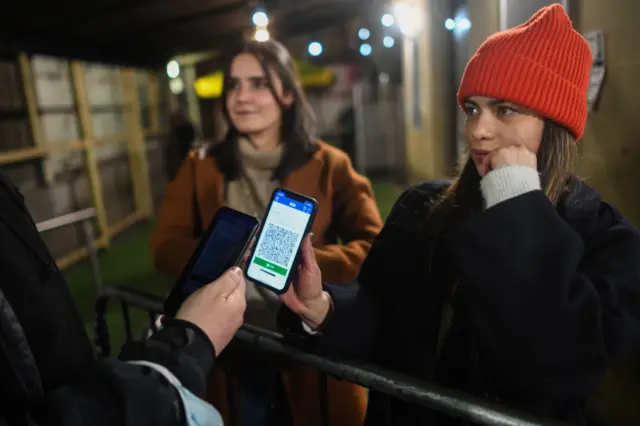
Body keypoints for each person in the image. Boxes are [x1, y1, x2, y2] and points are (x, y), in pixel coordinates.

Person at [279, 5, 640, 425]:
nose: (478, 130)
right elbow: (382, 318)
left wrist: (517, 205)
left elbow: (556, 367)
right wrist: (322, 307)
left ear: (554, 124)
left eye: (505, 110)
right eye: (472, 108)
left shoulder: (607, 237)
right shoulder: (422, 208)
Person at [150, 39, 382, 425]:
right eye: (234, 85)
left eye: (258, 83)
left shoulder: (329, 163)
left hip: (305, 343)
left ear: (288, 94)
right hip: (226, 346)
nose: (242, 97)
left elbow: (374, 245)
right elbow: (165, 246)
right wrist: (227, 254)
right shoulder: (200, 164)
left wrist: (302, 262)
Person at [0, 169, 246, 425]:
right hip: (213, 334)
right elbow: (165, 246)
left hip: (259, 331)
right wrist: (185, 347)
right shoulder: (201, 163)